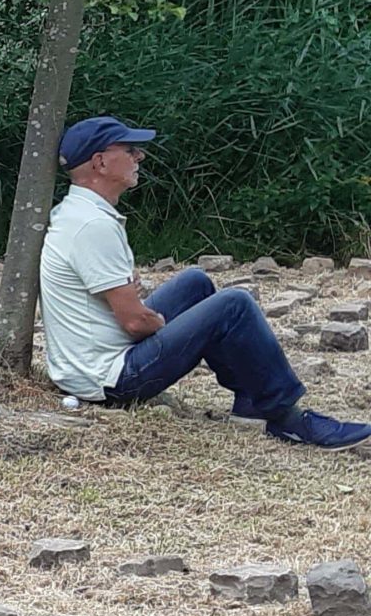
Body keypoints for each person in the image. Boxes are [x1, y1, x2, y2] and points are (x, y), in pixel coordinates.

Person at [39, 114, 369, 448]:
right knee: (234, 305)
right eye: (130, 149)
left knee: (195, 283)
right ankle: (289, 420)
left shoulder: (77, 213)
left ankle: (250, 402)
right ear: (100, 163)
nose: (140, 156)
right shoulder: (92, 225)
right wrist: (161, 322)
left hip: (90, 363)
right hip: (111, 379)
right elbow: (136, 324)